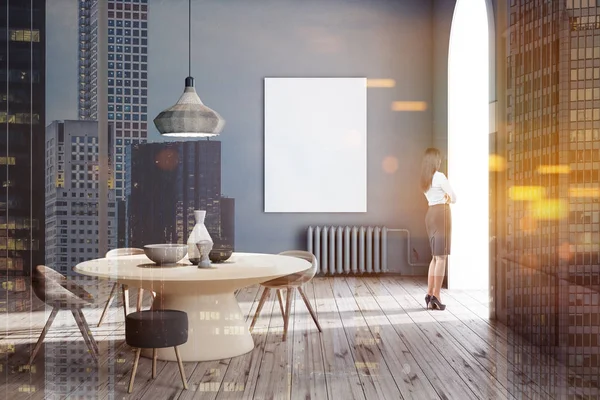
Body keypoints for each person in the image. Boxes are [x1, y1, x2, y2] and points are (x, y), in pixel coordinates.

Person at [420, 148, 456, 311]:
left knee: (435, 257)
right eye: (439, 159)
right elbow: (454, 197)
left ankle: (429, 294)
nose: (441, 162)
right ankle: (437, 296)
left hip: (430, 215)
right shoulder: (439, 176)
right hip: (441, 214)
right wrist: (447, 197)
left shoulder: (425, 180)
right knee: (441, 258)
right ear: (436, 161)